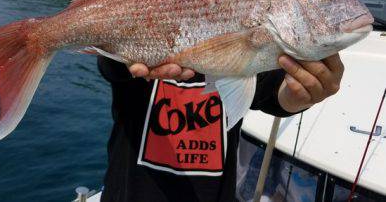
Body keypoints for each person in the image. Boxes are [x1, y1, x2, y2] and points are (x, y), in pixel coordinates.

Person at [97, 52, 343, 202]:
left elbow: (274, 92)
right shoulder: (137, 62)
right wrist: (124, 52)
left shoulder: (249, 57)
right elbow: (112, 67)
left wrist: (302, 92)